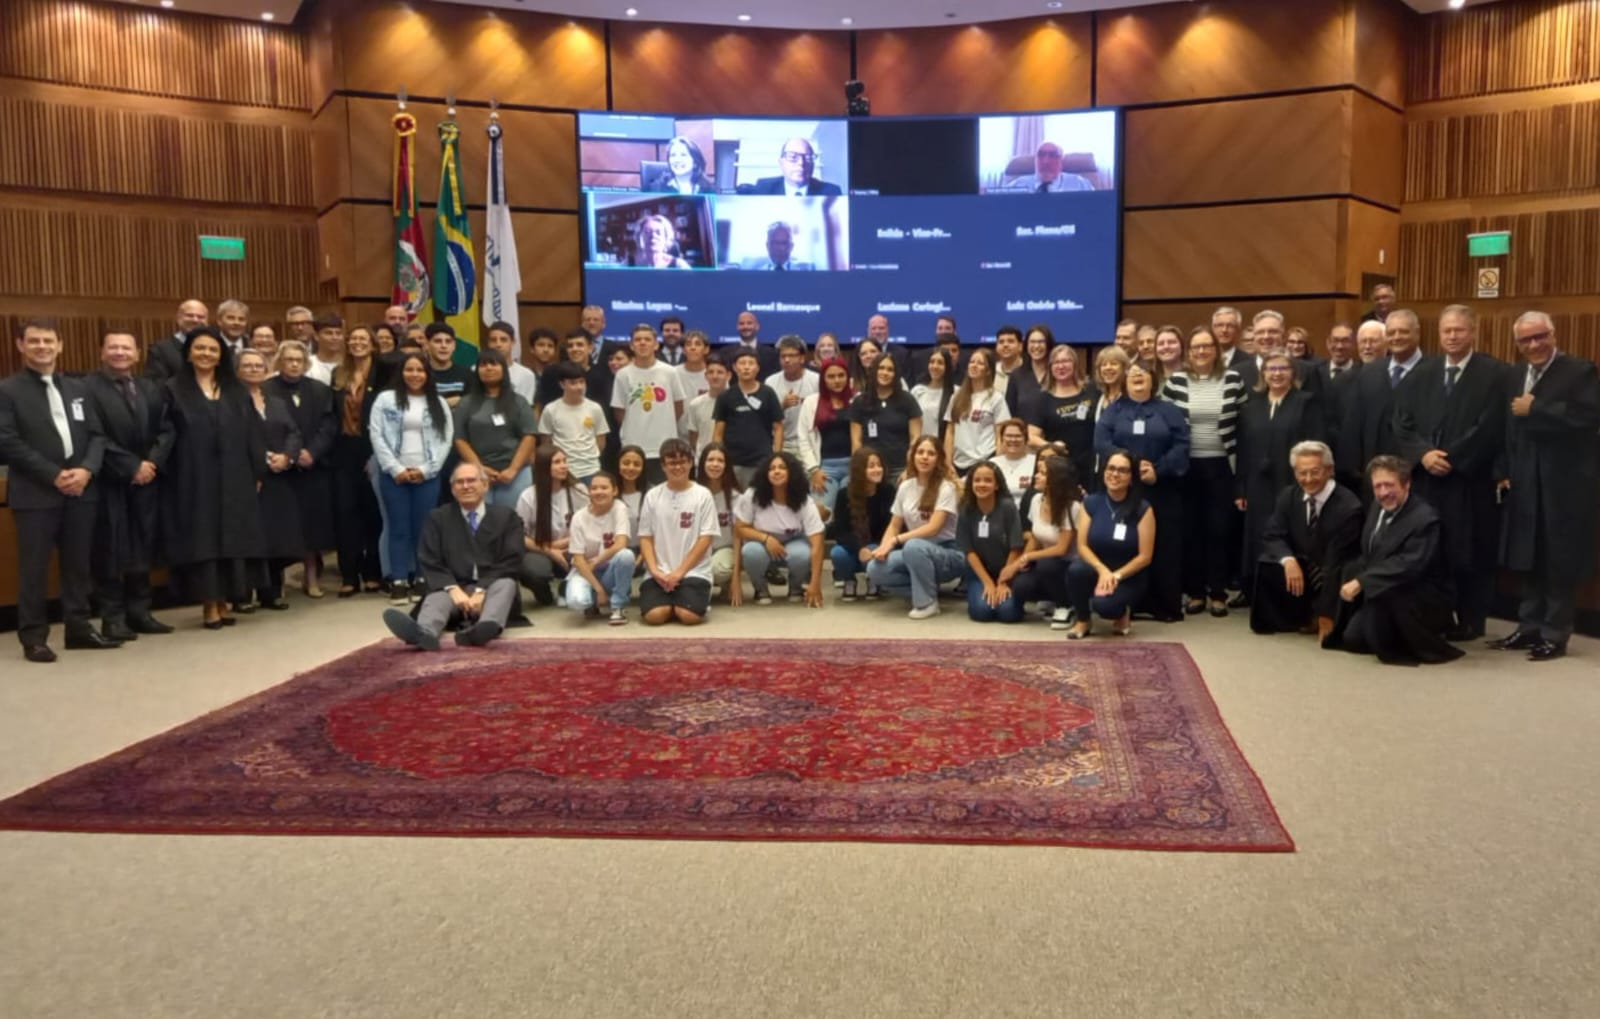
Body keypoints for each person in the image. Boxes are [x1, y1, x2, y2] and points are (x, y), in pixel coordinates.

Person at [1, 318, 116, 661]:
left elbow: (98, 435)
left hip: (81, 491)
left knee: (78, 565)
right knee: (34, 569)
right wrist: (54, 474)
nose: (42, 347)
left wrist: (86, 470)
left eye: (48, 341)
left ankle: (79, 628)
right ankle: (34, 637)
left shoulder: (79, 389)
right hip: (36, 493)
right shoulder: (7, 391)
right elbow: (6, 441)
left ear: (60, 345)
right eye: (34, 341)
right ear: (21, 346)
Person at [1392, 305, 1507, 641]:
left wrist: (1452, 458)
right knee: (1433, 547)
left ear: (1473, 331)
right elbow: (1401, 422)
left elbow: (1490, 426)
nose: (1453, 337)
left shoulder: (1495, 374)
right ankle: (1438, 614)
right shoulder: (1422, 373)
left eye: (1459, 330)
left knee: (1471, 548)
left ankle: (1472, 619)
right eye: (1447, 331)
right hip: (1427, 478)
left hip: (1469, 479)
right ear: (1438, 334)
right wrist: (1423, 454)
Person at [1491, 311, 1600, 662]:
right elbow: (1508, 427)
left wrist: (1537, 408)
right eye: (1526, 340)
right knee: (1529, 555)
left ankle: (1555, 633)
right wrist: (1504, 470)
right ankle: (1528, 627)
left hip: (1563, 484)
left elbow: (1588, 418)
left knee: (1557, 559)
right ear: (1518, 344)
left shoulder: (1579, 370)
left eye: (1541, 336)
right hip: (1524, 480)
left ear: (1553, 335)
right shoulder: (1514, 374)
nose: (1535, 345)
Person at [160, 327, 268, 630]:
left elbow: (252, 434)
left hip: (236, 475)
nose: (206, 354)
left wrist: (258, 470)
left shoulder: (235, 389)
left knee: (232, 535)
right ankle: (208, 602)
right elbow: (167, 434)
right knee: (204, 537)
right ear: (189, 353)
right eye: (200, 348)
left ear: (221, 355)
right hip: (194, 477)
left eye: (212, 349)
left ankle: (226, 599)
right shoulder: (173, 389)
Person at [82, 330, 175, 640]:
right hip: (110, 481)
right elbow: (93, 434)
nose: (120, 352)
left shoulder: (151, 388)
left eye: (126, 348)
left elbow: (167, 429)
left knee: (143, 546)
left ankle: (140, 612)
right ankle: (113, 617)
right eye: (113, 347)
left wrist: (151, 463)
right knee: (109, 549)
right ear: (101, 352)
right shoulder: (86, 389)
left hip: (147, 480)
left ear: (136, 355)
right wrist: (131, 466)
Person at [1326, 456, 1463, 665]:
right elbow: (1371, 553)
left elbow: (1409, 564)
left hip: (1419, 595)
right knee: (1353, 639)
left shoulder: (1426, 519)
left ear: (1406, 484)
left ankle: (1427, 633)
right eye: (1377, 486)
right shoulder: (1377, 507)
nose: (1383, 492)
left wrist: (1362, 582)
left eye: (1389, 485)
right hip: (1384, 587)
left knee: (1379, 637)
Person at [382, 463, 523, 650]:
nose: (466, 486)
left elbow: (511, 559)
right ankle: (424, 633)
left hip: (491, 589)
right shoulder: (438, 518)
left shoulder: (506, 517)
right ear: (452, 489)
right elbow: (430, 560)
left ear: (485, 485)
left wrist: (480, 591)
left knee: (506, 584)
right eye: (459, 482)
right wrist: (453, 589)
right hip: (454, 589)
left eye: (471, 480)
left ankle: (484, 629)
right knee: (438, 594)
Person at [1095, 363, 1189, 621]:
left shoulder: (1169, 411)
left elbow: (1182, 444)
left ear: (1153, 379)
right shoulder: (1112, 411)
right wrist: (1132, 468)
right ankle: (1128, 602)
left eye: (1143, 372)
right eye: (1132, 372)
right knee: (1125, 543)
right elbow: (1102, 443)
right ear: (1124, 381)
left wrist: (1159, 469)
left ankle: (1164, 606)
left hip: (1162, 486)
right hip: (1123, 489)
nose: (1137, 375)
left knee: (1165, 545)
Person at [1163, 327, 1244, 616]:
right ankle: (1196, 593)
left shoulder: (1233, 379)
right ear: (1188, 351)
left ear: (1216, 349)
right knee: (1192, 530)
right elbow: (1169, 427)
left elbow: (1242, 426)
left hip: (1222, 464)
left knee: (1219, 530)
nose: (1201, 352)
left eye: (1206, 346)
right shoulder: (1176, 382)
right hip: (1187, 466)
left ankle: (1218, 593)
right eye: (1195, 347)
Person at [1251, 441, 1364, 640]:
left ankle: (1323, 614)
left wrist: (1326, 615)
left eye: (1315, 472)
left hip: (1336, 572)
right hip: (1305, 565)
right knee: (1272, 559)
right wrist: (1288, 560)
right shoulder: (1288, 496)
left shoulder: (1349, 508)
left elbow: (1335, 562)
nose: (1308, 479)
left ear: (1330, 470)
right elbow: (1272, 534)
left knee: (1343, 568)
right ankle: (1297, 617)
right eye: (1302, 473)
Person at [1235, 351, 1325, 599]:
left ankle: (1289, 591)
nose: (1277, 374)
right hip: (1256, 482)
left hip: (1293, 480)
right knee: (1257, 533)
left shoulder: (1306, 402)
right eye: (1271, 369)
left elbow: (1315, 444)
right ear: (1263, 374)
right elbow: (1243, 449)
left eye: (1282, 369)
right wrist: (1240, 488)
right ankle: (1255, 589)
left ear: (1292, 373)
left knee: (1290, 531)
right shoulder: (1250, 407)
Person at [370, 351, 454, 603]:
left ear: (427, 374)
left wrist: (427, 469)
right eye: (410, 370)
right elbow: (376, 435)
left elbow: (445, 438)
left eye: (420, 370)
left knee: (423, 529)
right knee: (398, 528)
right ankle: (398, 580)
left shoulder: (437, 402)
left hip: (426, 475)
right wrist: (395, 469)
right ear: (401, 372)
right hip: (394, 475)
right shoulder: (385, 400)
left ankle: (421, 578)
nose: (415, 375)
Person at [264, 340, 337, 599]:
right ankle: (276, 582)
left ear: (306, 363)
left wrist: (312, 453)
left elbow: (328, 426)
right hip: (279, 469)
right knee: (280, 526)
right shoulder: (266, 389)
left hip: (312, 467)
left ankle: (311, 578)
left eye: (298, 360)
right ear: (279, 362)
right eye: (288, 360)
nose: (293, 364)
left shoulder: (319, 389)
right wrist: (288, 455)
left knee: (311, 526)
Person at [866, 435, 964, 619]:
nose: (925, 457)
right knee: (874, 569)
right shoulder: (905, 486)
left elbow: (933, 528)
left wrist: (896, 541)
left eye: (930, 453)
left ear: (939, 459)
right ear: (913, 457)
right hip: (915, 552)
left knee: (913, 546)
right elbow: (895, 524)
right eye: (920, 452)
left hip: (948, 554)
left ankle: (927, 603)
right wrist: (884, 547)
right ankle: (926, 589)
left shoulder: (946, 487)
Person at [236, 348, 304, 612]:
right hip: (248, 477)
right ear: (237, 370)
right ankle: (242, 594)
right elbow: (236, 438)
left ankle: (272, 592)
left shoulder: (275, 400)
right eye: (247, 365)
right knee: (250, 537)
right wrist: (263, 460)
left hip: (279, 477)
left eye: (258, 366)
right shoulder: (231, 400)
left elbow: (294, 432)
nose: (253, 369)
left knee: (277, 535)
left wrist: (287, 456)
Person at [1339, 309, 1429, 500]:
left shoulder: (1433, 371)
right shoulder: (1370, 372)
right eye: (1391, 332)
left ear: (1417, 333)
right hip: (1374, 473)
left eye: (1403, 331)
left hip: (1418, 474)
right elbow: (1355, 420)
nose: (1396, 337)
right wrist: (1353, 465)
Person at [1065, 450, 1155, 639]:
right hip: (1097, 569)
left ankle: (1122, 612)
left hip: (1128, 576)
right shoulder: (1090, 503)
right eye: (1111, 468)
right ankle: (1083, 620)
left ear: (1132, 477)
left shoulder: (1143, 508)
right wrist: (1102, 571)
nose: (1115, 474)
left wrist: (1116, 575)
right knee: (1076, 570)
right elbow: (1082, 546)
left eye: (1122, 470)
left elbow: (1145, 557)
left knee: (1105, 606)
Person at [638, 438, 721, 625]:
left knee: (688, 616)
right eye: (672, 463)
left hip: (694, 571)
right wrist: (654, 570)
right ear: (663, 466)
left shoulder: (703, 495)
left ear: (691, 463)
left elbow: (705, 539)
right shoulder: (652, 496)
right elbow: (645, 537)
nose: (677, 467)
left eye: (682, 462)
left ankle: (685, 600)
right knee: (654, 617)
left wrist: (679, 573)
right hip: (659, 572)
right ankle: (670, 601)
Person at [327, 335, 384, 597]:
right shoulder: (339, 374)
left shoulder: (383, 372)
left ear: (373, 344)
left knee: (373, 512)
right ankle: (349, 575)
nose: (357, 343)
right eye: (353, 339)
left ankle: (373, 573)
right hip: (343, 451)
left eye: (363, 339)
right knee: (345, 514)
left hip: (373, 447)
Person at [733, 451, 826, 606]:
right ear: (765, 473)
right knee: (750, 552)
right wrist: (767, 539)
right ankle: (760, 588)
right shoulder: (752, 494)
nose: (776, 471)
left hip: (794, 541)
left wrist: (815, 584)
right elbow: (739, 528)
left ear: (792, 472)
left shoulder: (804, 500)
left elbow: (817, 544)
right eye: (772, 468)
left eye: (782, 467)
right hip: (761, 542)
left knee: (802, 554)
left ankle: (796, 587)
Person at [453, 348, 537, 510]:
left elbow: (529, 436)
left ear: (504, 370)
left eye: (494, 364)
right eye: (483, 365)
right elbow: (460, 439)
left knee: (513, 521)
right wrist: (479, 469)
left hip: (515, 473)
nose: (489, 368)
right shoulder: (466, 403)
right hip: (477, 473)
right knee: (478, 522)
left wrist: (513, 469)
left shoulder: (518, 402)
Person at [1005, 454, 1079, 627]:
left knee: (1047, 564)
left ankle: (1066, 605)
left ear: (1055, 479)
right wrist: (1017, 563)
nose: (1036, 476)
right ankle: (1051, 598)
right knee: (1021, 586)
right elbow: (1035, 538)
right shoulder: (1036, 500)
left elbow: (1062, 548)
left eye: (1042, 473)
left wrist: (1029, 557)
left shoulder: (1072, 507)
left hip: (1069, 564)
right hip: (1045, 560)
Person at [516, 445, 586, 609]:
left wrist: (558, 545)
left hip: (573, 548)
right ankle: (545, 595)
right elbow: (519, 535)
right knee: (532, 570)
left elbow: (588, 528)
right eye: (557, 462)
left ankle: (566, 588)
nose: (564, 466)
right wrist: (549, 550)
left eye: (564, 461)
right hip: (540, 550)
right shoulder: (528, 496)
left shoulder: (579, 491)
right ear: (543, 466)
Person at [956, 461, 1024, 622]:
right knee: (982, 613)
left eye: (987, 480)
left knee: (1008, 614)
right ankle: (977, 594)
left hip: (1007, 570)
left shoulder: (1008, 507)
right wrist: (987, 582)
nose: (981, 484)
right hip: (979, 572)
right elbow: (969, 551)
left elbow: (1016, 547)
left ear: (997, 485)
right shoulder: (966, 509)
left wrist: (1003, 581)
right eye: (977, 480)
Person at [564, 471, 635, 625]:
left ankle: (617, 606)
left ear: (614, 491)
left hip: (610, 570)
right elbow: (578, 559)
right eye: (594, 488)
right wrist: (599, 589)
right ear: (589, 492)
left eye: (604, 487)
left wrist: (597, 561)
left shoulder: (619, 508)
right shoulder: (579, 517)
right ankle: (594, 600)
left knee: (626, 555)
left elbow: (621, 543)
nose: (599, 492)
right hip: (586, 572)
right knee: (578, 601)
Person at [1027, 344, 1097, 492]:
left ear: (1075, 364)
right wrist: (1052, 446)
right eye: (1056, 362)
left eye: (1066, 361)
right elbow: (1031, 437)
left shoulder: (1091, 390)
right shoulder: (1042, 398)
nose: (1061, 366)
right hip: (1059, 467)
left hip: (1090, 465)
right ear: (1051, 367)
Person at [828, 445, 893, 601]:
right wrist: (859, 548)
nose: (877, 469)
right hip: (853, 547)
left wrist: (875, 548)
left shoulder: (888, 491)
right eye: (871, 466)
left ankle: (875, 580)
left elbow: (890, 527)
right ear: (859, 470)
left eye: (879, 465)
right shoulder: (844, 494)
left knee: (873, 550)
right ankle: (849, 581)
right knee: (837, 553)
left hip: (877, 546)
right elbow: (840, 531)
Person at [713, 347, 782, 486]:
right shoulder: (725, 396)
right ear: (734, 367)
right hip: (733, 462)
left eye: (751, 363)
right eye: (742, 363)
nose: (746, 367)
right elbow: (718, 433)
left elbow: (778, 427)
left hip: (762, 461)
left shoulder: (768, 393)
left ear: (757, 368)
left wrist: (776, 456)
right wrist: (719, 459)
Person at [849, 353, 923, 480]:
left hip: (900, 469)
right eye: (881, 368)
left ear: (896, 374)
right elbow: (856, 442)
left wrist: (910, 468)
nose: (885, 372)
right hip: (871, 469)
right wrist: (860, 469)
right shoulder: (860, 402)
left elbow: (915, 438)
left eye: (890, 369)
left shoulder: (908, 400)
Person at [795, 355, 854, 512]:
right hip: (824, 468)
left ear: (848, 377)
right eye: (831, 376)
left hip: (852, 466)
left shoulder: (857, 401)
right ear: (823, 380)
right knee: (821, 516)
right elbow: (803, 438)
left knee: (849, 515)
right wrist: (814, 470)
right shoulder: (811, 402)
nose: (837, 380)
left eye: (841, 375)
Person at [538, 360, 609, 485]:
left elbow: (601, 441)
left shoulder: (595, 408)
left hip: (591, 469)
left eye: (581, 382)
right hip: (564, 469)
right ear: (562, 384)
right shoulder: (551, 409)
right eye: (573, 383)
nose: (579, 387)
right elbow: (546, 442)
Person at [945, 348, 1010, 477]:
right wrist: (947, 462)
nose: (974, 365)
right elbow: (950, 431)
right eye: (972, 362)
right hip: (959, 463)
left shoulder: (996, 398)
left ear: (988, 370)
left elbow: (1000, 435)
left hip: (985, 460)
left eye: (980, 363)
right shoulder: (957, 396)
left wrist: (997, 464)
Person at [696, 442, 742, 598]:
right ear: (702, 463)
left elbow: (738, 537)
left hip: (725, 549)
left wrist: (737, 580)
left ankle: (725, 581)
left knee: (718, 569)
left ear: (727, 466)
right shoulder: (692, 493)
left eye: (720, 461)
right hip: (698, 550)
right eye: (710, 460)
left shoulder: (736, 497)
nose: (715, 464)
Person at [764, 335, 818, 459]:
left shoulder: (816, 380)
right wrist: (781, 407)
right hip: (781, 443)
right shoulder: (770, 382)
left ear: (802, 358)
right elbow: (764, 419)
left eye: (792, 355)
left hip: (809, 442)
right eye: (783, 356)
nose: (787, 360)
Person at [144, 299, 208, 383]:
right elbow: (155, 384)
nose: (195, 320)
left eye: (201, 317)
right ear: (178, 318)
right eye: (189, 315)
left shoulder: (214, 348)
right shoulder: (160, 349)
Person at [750, 137, 841, 196]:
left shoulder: (832, 192)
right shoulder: (763, 188)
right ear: (781, 163)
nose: (801, 163)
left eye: (808, 157)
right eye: (793, 157)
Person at [1004, 141, 1093, 193]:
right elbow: (995, 200)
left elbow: (1097, 208)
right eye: (1041, 155)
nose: (1045, 161)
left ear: (1061, 161)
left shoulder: (1080, 184)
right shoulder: (1018, 184)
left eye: (1053, 155)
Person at [483, 321, 538, 405]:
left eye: (503, 340)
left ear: (513, 342)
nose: (498, 344)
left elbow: (526, 406)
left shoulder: (526, 375)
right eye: (493, 340)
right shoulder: (476, 370)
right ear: (488, 343)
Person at [684, 354, 728, 455]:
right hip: (703, 461)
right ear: (705, 375)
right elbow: (693, 437)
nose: (715, 376)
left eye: (720, 372)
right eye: (711, 372)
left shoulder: (736, 401)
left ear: (728, 375)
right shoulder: (695, 404)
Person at [911, 347, 956, 444]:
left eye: (940, 363)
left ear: (947, 366)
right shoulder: (917, 391)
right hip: (921, 448)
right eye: (932, 362)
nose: (935, 366)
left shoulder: (955, 392)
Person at [644, 136, 713, 194]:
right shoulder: (657, 188)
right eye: (673, 155)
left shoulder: (709, 189)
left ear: (695, 162)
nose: (677, 160)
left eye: (683, 155)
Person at [424, 323, 473, 405]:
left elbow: (471, 405)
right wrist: (447, 403)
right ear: (427, 345)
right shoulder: (420, 374)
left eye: (448, 341)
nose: (444, 346)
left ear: (454, 346)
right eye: (438, 341)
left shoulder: (467, 374)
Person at [991, 418, 1036, 494]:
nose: (1013, 440)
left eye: (1018, 436)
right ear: (1002, 439)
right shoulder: (993, 464)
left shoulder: (1035, 462)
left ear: (1026, 439)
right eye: (1009, 436)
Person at [730, 310, 779, 377]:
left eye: (749, 323)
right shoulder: (725, 354)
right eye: (741, 324)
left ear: (757, 326)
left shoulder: (772, 355)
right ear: (737, 327)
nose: (745, 327)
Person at [615, 445, 649, 538]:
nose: (631, 468)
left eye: (637, 464)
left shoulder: (652, 494)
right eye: (626, 463)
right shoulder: (609, 494)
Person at [305, 315, 345, 385]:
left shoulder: (351, 364)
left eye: (338, 333)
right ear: (316, 336)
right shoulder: (307, 365)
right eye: (329, 333)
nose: (335, 337)